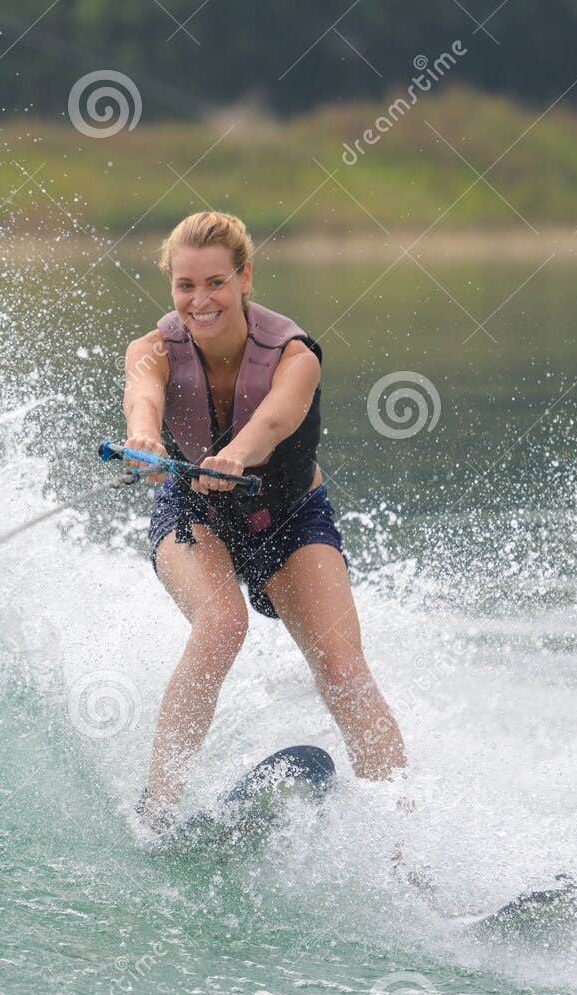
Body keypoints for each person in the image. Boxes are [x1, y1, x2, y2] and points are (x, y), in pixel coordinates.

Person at [122, 210, 406, 834]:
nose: (201, 301)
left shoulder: (294, 354)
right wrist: (144, 441)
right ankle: (159, 808)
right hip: (195, 516)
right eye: (185, 285)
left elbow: (276, 420)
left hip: (291, 517)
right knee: (223, 623)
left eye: (216, 283)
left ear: (246, 276)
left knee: (341, 665)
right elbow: (143, 403)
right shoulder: (149, 353)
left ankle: (406, 847)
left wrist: (234, 455)